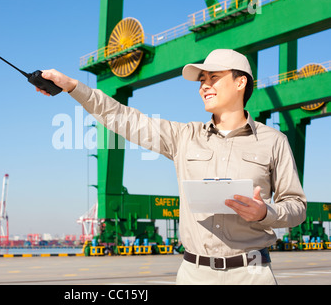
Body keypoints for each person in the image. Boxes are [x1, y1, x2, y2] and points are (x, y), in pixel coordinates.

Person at [36, 49, 307, 285]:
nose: (204, 86)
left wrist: (264, 213)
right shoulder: (183, 137)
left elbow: (297, 206)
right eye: (202, 80)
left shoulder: (273, 142)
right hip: (195, 275)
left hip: (252, 275)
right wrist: (72, 86)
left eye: (214, 78)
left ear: (240, 82)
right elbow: (122, 117)